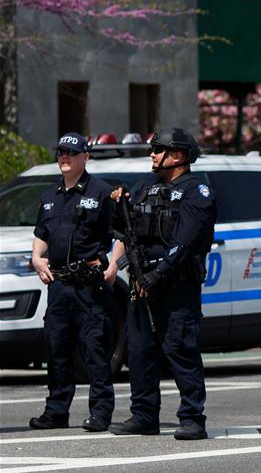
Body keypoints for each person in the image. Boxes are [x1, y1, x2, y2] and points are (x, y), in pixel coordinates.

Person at [109, 127, 216, 440]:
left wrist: (159, 274)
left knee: (180, 349)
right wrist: (118, 204)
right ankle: (144, 416)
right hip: (142, 283)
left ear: (178, 155)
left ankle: (192, 418)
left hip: (176, 285)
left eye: (158, 150)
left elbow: (186, 241)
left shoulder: (197, 192)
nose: (152, 155)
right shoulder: (145, 187)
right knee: (140, 350)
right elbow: (123, 229)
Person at [29, 132, 117, 432]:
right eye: (61, 152)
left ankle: (101, 412)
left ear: (85, 157)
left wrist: (114, 264)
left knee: (94, 349)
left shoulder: (101, 193)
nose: (64, 157)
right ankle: (56, 411)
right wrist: (37, 258)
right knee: (56, 349)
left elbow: (120, 233)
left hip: (88, 287)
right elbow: (41, 234)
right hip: (59, 286)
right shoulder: (50, 196)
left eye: (71, 152)